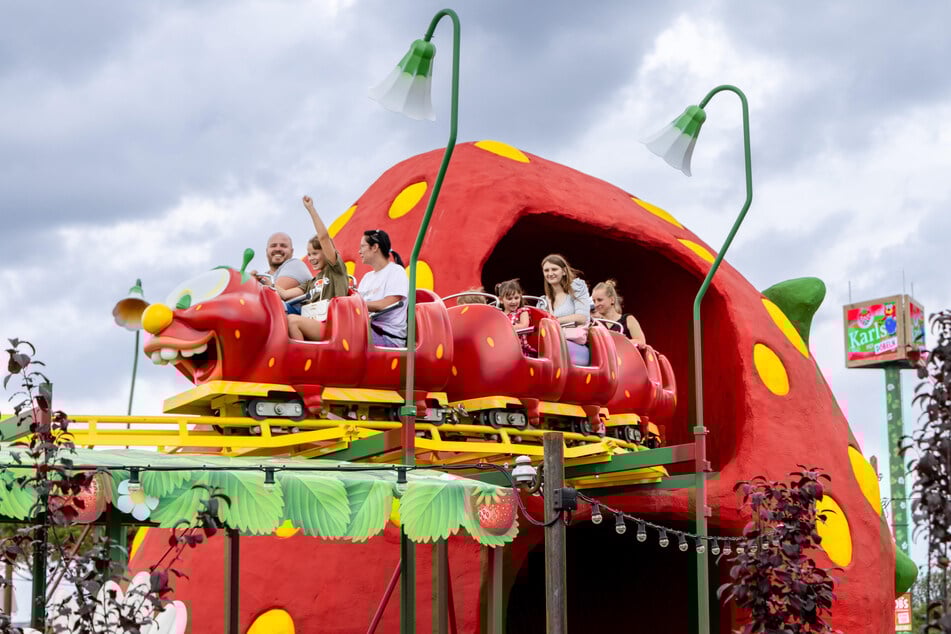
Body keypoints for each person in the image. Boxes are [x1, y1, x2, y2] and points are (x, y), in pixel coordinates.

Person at [283, 196, 350, 341]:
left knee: (292, 321)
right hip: (313, 324)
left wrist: (311, 209)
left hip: (333, 328)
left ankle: (302, 358)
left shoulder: (335, 270)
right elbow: (285, 295)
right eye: (309, 254)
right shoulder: (310, 283)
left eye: (315, 253)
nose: (311, 258)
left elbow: (324, 238)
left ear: (325, 252)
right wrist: (264, 285)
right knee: (282, 317)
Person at [357, 229, 408, 347]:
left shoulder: (396, 271)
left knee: (347, 337)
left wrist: (355, 305)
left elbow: (387, 304)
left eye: (362, 246)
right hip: (369, 328)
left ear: (375, 247)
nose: (359, 251)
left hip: (388, 336)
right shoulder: (367, 277)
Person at [537, 254, 591, 365]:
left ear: (564, 271)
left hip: (574, 345)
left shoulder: (576, 288)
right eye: (546, 270)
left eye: (554, 269)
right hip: (550, 344)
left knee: (553, 351)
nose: (550, 273)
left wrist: (553, 320)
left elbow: (581, 317)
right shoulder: (544, 301)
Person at [592, 279, 647, 345]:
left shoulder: (628, 319)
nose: (596, 304)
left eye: (600, 300)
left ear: (612, 300)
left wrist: (619, 342)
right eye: (594, 301)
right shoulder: (596, 325)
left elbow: (641, 342)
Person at [496, 279, 536, 357]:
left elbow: (524, 326)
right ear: (501, 300)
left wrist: (505, 328)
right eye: (509, 299)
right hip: (503, 348)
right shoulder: (499, 315)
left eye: (516, 298)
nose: (513, 302)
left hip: (519, 350)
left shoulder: (522, 311)